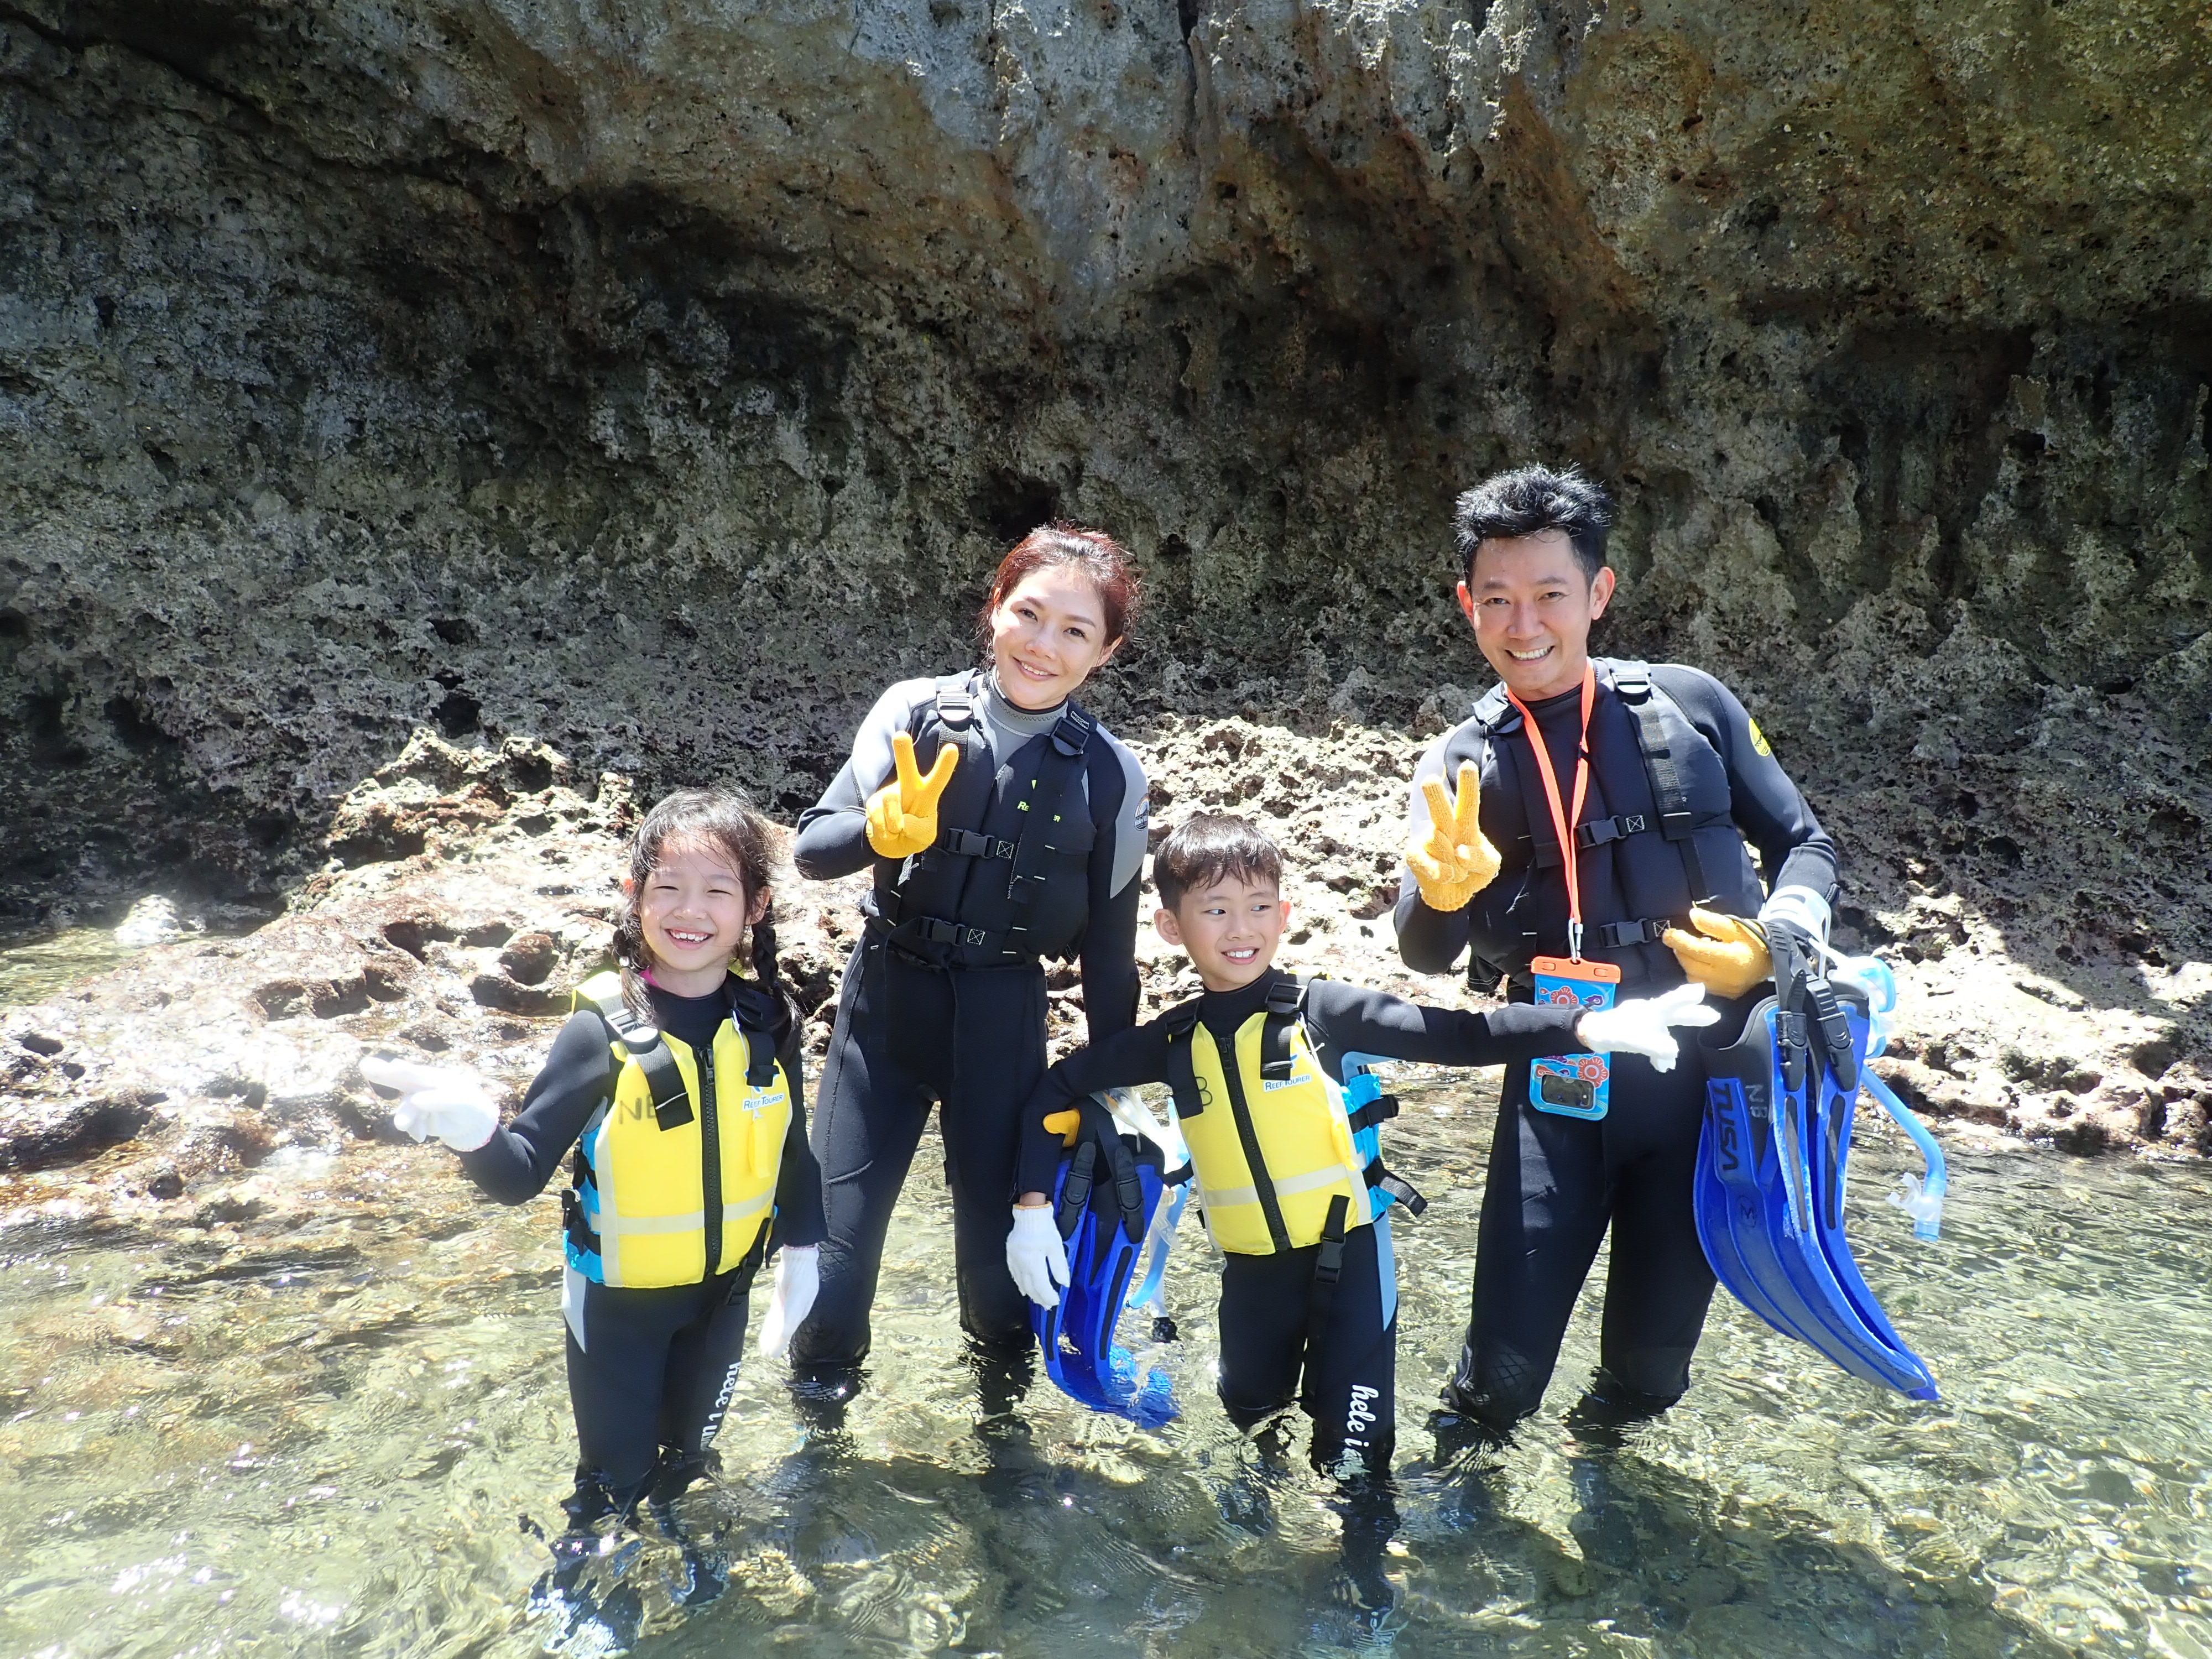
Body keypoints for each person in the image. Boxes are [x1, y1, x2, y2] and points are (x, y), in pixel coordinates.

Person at [1005, 813, 1713, 1482]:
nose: (1240, 929)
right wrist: (1032, 1210)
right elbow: (1053, 1090)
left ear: (1284, 915)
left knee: (1355, 1466)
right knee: (1249, 1429)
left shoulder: (1326, 1013)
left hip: (1351, 1267)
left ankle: (1366, 1563)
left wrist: (1586, 1028)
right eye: (1214, 910)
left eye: (1258, 907)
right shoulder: (1171, 1041)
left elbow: (1464, 1036)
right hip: (1253, 1279)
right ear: (1170, 926)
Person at [1395, 463, 1841, 1443]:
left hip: (1707, 1090)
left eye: (1551, 594)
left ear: (1598, 592)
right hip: (1561, 1079)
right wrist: (1442, 895)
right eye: (1498, 600)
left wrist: (1773, 947)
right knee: (1498, 1383)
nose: (1524, 626)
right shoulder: (1463, 762)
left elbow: (1806, 846)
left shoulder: (1693, 705)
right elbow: (1424, 953)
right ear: (1468, 606)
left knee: (1649, 1376)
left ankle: (1605, 1492)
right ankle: (1448, 1513)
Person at [363, 787, 826, 1536]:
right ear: (634, 895)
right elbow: (518, 1176)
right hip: (618, 1312)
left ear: (756, 906)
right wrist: (476, 1133)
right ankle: (584, 1588)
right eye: (668, 888)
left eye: (718, 891)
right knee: (613, 1486)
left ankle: (691, 1573)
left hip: (724, 1299)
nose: (690, 911)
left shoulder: (768, 1021)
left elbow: (792, 1150)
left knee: (688, 1467)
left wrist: (804, 1252)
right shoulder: (600, 1031)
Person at [789, 524, 1150, 1403]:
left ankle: (1003, 1455)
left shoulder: (1112, 777)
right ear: (994, 609)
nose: (1043, 644)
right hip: (883, 1015)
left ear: (1104, 653)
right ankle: (817, 1449)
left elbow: (1110, 961)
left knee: (1002, 1294)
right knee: (830, 1283)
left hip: (1002, 1025)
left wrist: (1111, 1097)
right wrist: (878, 831)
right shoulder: (913, 711)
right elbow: (812, 849)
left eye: (1075, 631)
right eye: (1028, 614)